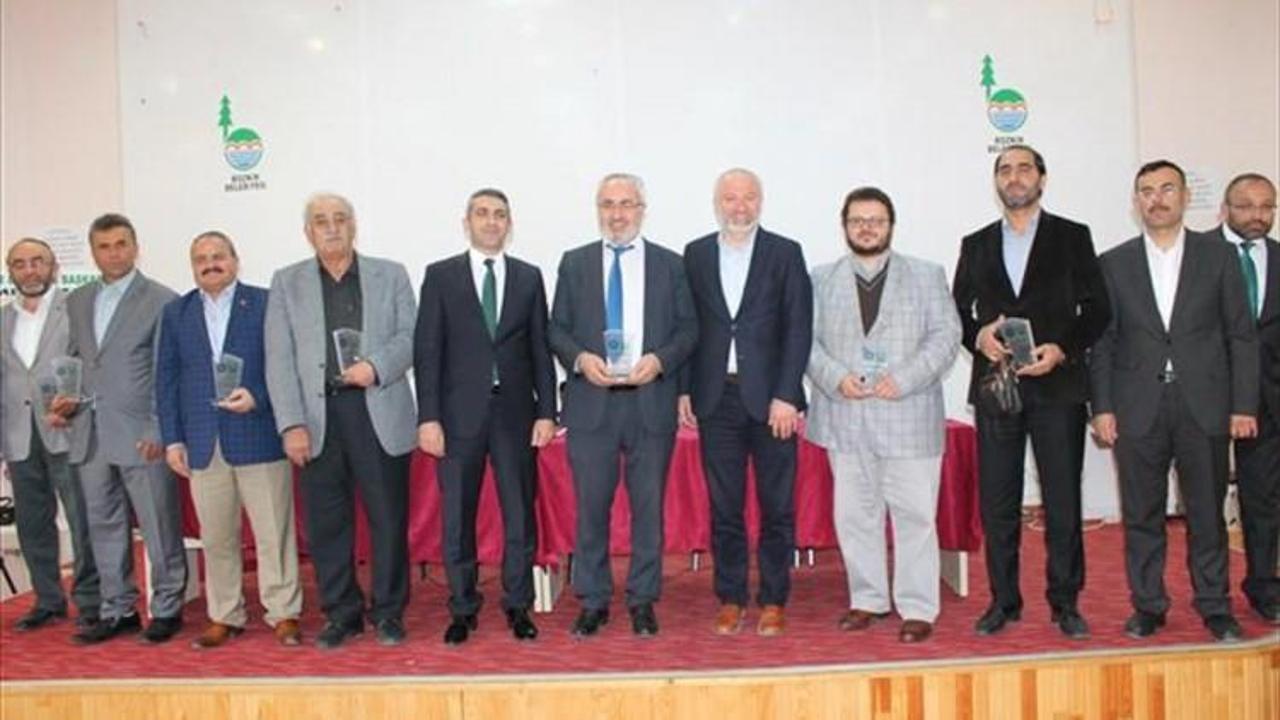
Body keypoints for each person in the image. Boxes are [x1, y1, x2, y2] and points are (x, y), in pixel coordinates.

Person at [1091, 160, 1258, 642]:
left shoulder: (1218, 257)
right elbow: (1103, 343)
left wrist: (1243, 405)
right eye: (1146, 191)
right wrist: (1102, 408)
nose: (1157, 199)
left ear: (1185, 197)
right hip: (1136, 406)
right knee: (1142, 515)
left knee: (1206, 514)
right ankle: (1148, 605)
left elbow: (1241, 335)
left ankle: (1215, 606)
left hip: (1203, 404)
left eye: (1167, 189)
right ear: (1136, 202)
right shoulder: (1114, 262)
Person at [952, 145, 1110, 639]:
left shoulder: (1072, 236)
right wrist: (978, 336)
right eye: (1005, 170)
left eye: (1024, 168)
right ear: (996, 181)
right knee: (998, 502)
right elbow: (956, 313)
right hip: (996, 388)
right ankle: (1003, 601)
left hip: (1057, 387)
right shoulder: (976, 243)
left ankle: (1065, 602)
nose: (1014, 177)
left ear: (1042, 178)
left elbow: (1098, 310)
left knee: (1062, 501)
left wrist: (1062, 349)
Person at [807, 187, 961, 643]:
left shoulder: (926, 275)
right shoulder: (820, 279)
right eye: (858, 220)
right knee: (855, 516)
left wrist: (906, 378)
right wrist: (835, 377)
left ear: (891, 225)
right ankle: (867, 598)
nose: (867, 228)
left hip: (908, 415)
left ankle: (918, 606)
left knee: (915, 516)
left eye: (876, 220)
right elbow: (804, 341)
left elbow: (946, 336)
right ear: (845, 225)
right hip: (846, 415)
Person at [265, 193, 417, 649]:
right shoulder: (287, 283)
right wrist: (291, 423)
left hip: (377, 408)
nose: (331, 228)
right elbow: (279, 359)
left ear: (354, 226)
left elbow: (411, 336)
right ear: (307, 232)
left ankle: (388, 612)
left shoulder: (390, 274)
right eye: (321, 221)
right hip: (318, 418)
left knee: (388, 519)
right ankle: (341, 614)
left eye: (339, 219)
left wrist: (376, 366)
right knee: (327, 525)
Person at [548, 173, 697, 638]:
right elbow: (556, 328)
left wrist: (660, 361)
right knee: (590, 509)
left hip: (649, 404)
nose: (617, 214)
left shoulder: (671, 264)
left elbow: (689, 329)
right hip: (591, 405)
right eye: (608, 204)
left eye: (626, 204)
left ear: (642, 210)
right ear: (598, 210)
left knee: (648, 510)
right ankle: (592, 600)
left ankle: (642, 599)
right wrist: (580, 359)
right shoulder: (574, 263)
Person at [414, 189, 557, 644]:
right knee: (458, 517)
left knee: (519, 515)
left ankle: (518, 605)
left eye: (499, 215)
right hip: (457, 418)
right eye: (482, 214)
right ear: (467, 222)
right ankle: (462, 608)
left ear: (509, 224)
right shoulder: (441, 276)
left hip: (515, 415)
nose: (491, 221)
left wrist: (547, 411)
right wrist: (428, 417)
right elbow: (427, 351)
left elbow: (540, 349)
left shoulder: (529, 277)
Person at [680, 168, 813, 636]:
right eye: (731, 198)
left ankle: (774, 599)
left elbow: (798, 327)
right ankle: (731, 598)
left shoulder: (785, 252)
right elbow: (686, 327)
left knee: (777, 507)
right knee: (725, 507)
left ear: (761, 201)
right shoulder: (696, 254)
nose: (740, 206)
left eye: (749, 197)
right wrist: (683, 389)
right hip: (716, 400)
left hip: (773, 402)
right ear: (717, 203)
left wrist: (787, 395)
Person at [155, 231, 303, 649]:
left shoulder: (266, 303)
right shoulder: (176, 313)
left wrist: (258, 396)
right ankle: (224, 614)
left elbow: (286, 365)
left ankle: (283, 612)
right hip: (203, 442)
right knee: (217, 537)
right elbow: (166, 380)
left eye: (218, 255)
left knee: (274, 533)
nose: (210, 264)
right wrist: (173, 440)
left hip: (258, 434)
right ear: (192, 267)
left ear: (236, 260)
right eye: (201, 258)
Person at [53, 213, 187, 645]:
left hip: (142, 433)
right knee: (103, 525)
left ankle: (167, 607)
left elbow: (169, 371)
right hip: (89, 432)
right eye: (104, 246)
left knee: (158, 524)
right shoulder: (78, 300)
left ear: (135, 247)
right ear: (93, 253)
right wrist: (64, 400)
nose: (113, 253)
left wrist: (158, 427)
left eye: (121, 244)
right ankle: (118, 609)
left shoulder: (162, 300)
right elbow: (75, 361)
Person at [2, 238, 100, 632]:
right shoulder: (3, 318)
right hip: (18, 435)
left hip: (68, 429)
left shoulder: (74, 310)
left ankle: (90, 601)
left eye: (37, 262)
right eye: (20, 264)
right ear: (10, 271)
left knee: (82, 521)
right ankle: (47, 600)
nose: (30, 270)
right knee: (32, 524)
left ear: (54, 266)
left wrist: (77, 400)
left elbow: (90, 364)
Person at [1211, 173, 1278, 624]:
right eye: (1246, 205)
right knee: (1205, 502)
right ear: (1225, 209)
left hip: (1269, 400)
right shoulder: (1196, 255)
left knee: (1264, 499)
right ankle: (1210, 591)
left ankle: (1264, 587)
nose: (1257, 215)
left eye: (1267, 206)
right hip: (1206, 396)